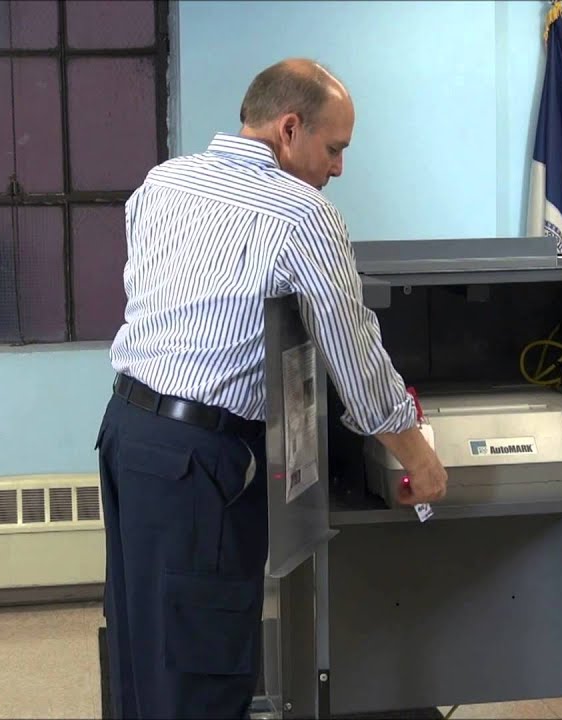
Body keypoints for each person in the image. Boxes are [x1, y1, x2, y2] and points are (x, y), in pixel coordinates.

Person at [95, 58, 449, 719]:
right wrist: (417, 455)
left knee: (143, 645)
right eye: (334, 147)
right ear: (289, 129)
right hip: (200, 461)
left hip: (127, 433)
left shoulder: (163, 182)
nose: (339, 168)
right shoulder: (302, 213)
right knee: (200, 663)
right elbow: (357, 360)